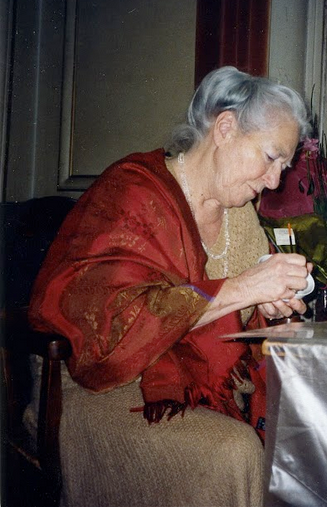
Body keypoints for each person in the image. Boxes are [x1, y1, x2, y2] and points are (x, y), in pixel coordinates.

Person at [28, 66, 312, 505]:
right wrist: (244, 289)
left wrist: (265, 305)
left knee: (304, 430)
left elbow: (234, 312)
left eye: (284, 166)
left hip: (195, 382)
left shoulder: (239, 212)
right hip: (103, 387)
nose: (274, 181)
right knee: (234, 452)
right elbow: (110, 331)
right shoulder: (132, 192)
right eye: (271, 157)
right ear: (225, 128)